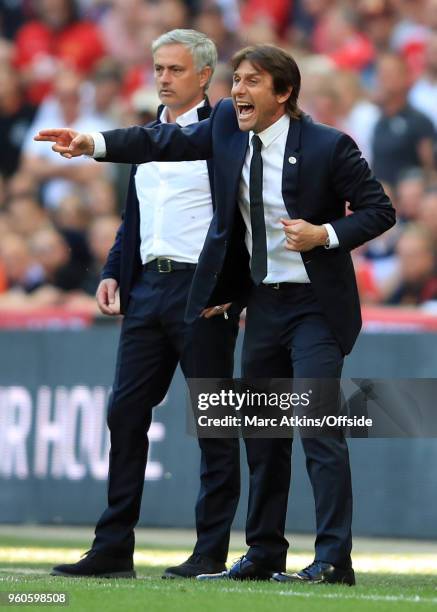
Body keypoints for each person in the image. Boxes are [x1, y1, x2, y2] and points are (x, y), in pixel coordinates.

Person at [36, 43, 396, 585]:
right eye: (236, 80)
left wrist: (326, 234)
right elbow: (162, 139)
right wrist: (93, 142)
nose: (238, 91)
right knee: (261, 431)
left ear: (284, 92)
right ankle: (264, 552)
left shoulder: (328, 145)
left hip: (316, 305)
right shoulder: (226, 129)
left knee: (318, 426)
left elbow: (380, 210)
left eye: (253, 82)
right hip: (264, 304)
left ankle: (332, 559)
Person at [40, 29, 241, 580]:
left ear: (204, 75)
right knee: (124, 412)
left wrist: (233, 289)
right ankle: (113, 546)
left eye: (175, 69)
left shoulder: (224, 127)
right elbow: (136, 217)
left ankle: (210, 551)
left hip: (202, 292)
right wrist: (112, 270)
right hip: (148, 289)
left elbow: (239, 217)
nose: (163, 78)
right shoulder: (147, 135)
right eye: (158, 68)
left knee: (213, 421)